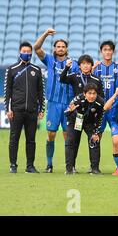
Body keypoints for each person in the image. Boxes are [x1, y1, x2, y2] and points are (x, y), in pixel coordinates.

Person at [34, 28, 79, 173]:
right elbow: (36, 48)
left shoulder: (74, 64)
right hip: (53, 103)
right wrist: (46, 34)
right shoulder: (50, 60)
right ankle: (49, 164)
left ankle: (70, 165)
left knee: (68, 136)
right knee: (51, 134)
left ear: (67, 49)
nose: (60, 49)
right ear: (55, 48)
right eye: (58, 46)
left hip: (68, 104)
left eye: (63, 47)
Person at [4, 42, 45, 173]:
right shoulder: (12, 69)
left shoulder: (37, 69)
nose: (26, 54)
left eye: (28, 52)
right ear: (20, 52)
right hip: (16, 110)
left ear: (31, 53)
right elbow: (7, 91)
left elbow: (40, 92)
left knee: (31, 140)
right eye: (24, 51)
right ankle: (13, 165)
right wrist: (8, 109)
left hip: (32, 111)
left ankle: (30, 166)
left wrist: (41, 109)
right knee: (14, 138)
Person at [92, 40, 118, 158]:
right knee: (97, 135)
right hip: (100, 108)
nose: (107, 52)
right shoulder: (96, 69)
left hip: (115, 108)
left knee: (117, 136)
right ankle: (94, 165)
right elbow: (90, 87)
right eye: (105, 50)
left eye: (109, 50)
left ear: (113, 52)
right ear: (101, 52)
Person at [64, 84, 104, 175]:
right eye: (89, 93)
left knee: (94, 141)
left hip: (89, 122)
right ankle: (69, 169)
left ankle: (95, 169)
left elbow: (100, 118)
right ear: (84, 94)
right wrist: (70, 111)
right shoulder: (78, 99)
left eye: (94, 93)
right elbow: (65, 113)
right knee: (71, 141)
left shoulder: (100, 102)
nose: (92, 96)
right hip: (76, 120)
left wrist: (96, 132)